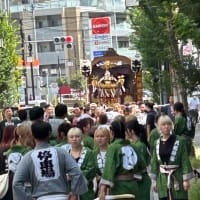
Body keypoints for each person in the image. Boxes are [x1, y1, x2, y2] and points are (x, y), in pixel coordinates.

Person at [13, 120, 88, 200]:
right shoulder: (61, 152)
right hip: (62, 196)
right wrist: (74, 192)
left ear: (32, 135)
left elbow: (16, 183)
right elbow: (77, 173)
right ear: (49, 134)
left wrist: (28, 197)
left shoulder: (28, 157)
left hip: (40, 197)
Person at [98, 119, 146, 200]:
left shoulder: (113, 148)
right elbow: (143, 166)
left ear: (112, 132)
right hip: (134, 185)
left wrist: (102, 188)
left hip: (119, 187)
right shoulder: (133, 146)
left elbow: (109, 169)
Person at [151, 115, 193, 200]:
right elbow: (155, 162)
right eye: (163, 124)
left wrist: (185, 180)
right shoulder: (156, 143)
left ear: (172, 125)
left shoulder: (180, 141)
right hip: (162, 179)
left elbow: (184, 160)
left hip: (177, 177)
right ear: (159, 127)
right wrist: (154, 181)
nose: (166, 126)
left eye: (168, 124)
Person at [67, 127, 96, 200]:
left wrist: (72, 176)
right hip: (69, 191)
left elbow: (91, 171)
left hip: (85, 191)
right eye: (71, 137)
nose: (74, 139)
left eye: (77, 136)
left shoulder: (89, 152)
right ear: (68, 139)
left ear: (82, 137)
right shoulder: (65, 153)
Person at [125, 117, 151, 200]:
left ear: (131, 131)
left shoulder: (138, 146)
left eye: (126, 131)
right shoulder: (137, 144)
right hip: (138, 180)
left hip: (142, 180)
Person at [93, 127, 110, 195]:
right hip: (98, 187)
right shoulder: (93, 153)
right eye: (97, 136)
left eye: (102, 136)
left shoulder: (113, 151)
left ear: (108, 138)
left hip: (112, 186)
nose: (99, 139)